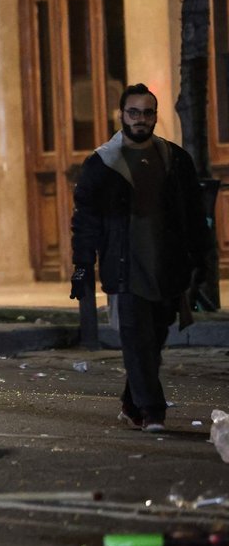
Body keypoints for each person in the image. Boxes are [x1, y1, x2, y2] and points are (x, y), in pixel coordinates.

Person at [70, 83, 212, 433]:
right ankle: (153, 412)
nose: (141, 119)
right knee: (137, 339)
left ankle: (132, 403)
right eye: (134, 112)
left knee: (155, 340)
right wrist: (81, 268)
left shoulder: (174, 159)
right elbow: (85, 222)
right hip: (124, 268)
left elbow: (193, 215)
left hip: (166, 268)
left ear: (155, 115)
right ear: (121, 115)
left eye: (148, 113)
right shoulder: (103, 162)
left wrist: (201, 262)